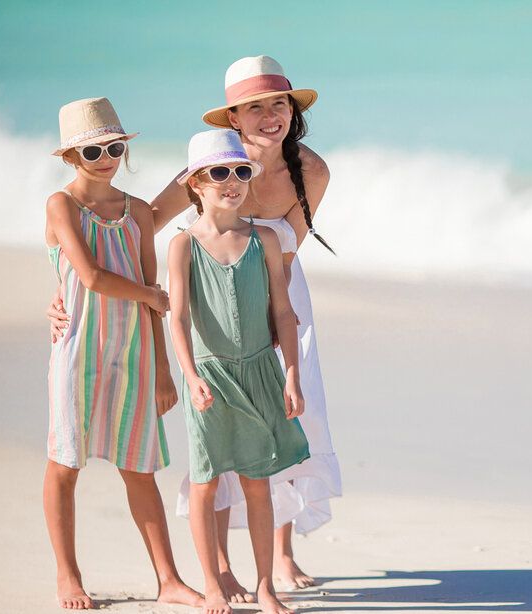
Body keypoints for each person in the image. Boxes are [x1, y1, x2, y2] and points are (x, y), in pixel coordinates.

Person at [49, 55, 342, 595]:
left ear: (291, 109)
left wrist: (277, 326)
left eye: (278, 103)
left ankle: (280, 551)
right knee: (223, 435)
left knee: (287, 423)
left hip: (275, 294)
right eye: (253, 107)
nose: (269, 116)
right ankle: (222, 569)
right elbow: (138, 223)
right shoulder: (207, 165)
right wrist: (65, 288)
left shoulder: (312, 170)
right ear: (234, 117)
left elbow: (288, 252)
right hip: (209, 303)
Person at [43, 97, 202, 610]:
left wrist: (162, 369)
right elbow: (89, 276)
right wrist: (150, 297)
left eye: (114, 147)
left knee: (140, 470)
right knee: (65, 465)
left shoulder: (137, 212)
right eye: (93, 151)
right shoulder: (61, 205)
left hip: (133, 354)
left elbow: (151, 285)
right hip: (77, 351)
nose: (107, 157)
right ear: (72, 156)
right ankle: (68, 577)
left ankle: (169, 580)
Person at [168, 129, 310, 614]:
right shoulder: (183, 245)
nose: (232, 181)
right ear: (195, 184)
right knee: (206, 482)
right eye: (219, 173)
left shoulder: (264, 238)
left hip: (259, 372)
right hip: (209, 377)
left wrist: (291, 374)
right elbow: (179, 319)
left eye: (240, 171)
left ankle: (266, 585)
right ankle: (211, 583)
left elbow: (285, 314)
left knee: (258, 481)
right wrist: (190, 377)